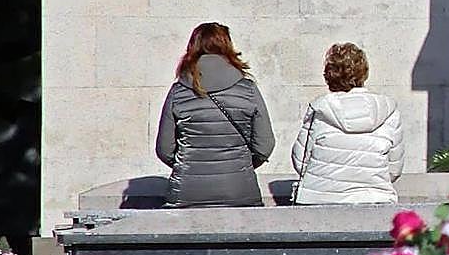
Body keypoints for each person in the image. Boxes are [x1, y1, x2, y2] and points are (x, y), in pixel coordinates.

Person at [155, 23, 276, 207]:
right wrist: (239, 164)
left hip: (187, 191)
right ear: (228, 46)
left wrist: (189, 165)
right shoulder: (248, 89)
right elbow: (264, 146)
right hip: (240, 189)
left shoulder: (178, 91)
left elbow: (164, 149)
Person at [291, 43, 403, 204]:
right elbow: (394, 168)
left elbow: (301, 162)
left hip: (319, 199)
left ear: (329, 75)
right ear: (364, 73)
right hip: (375, 199)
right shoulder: (389, 109)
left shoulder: (320, 108)